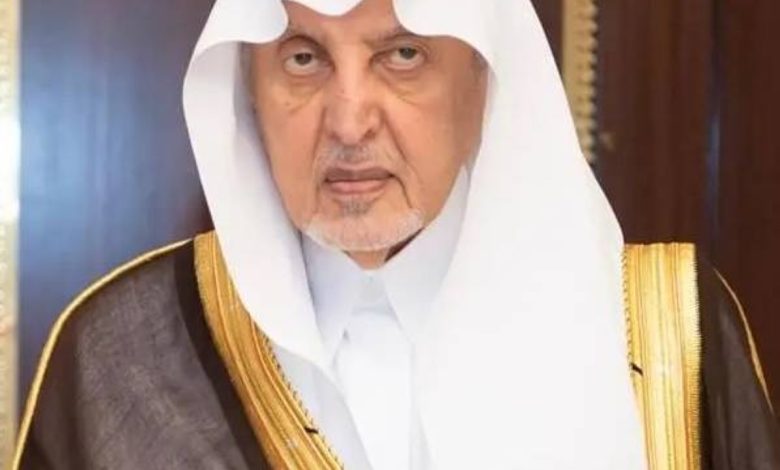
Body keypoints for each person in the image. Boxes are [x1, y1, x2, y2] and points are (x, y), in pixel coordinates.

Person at [11, 0, 779, 468]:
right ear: (249, 90)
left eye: (402, 55)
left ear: (483, 81)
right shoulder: (128, 356)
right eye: (303, 59)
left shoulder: (664, 334)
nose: (348, 121)